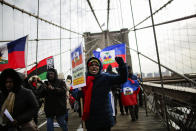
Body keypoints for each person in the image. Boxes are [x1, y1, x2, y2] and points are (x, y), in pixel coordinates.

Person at [82, 57, 128, 131]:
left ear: (99, 67)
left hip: (104, 117)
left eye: (96, 65)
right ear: (88, 67)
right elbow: (78, 96)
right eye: (91, 65)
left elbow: (122, 78)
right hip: (91, 118)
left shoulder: (105, 77)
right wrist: (79, 91)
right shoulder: (83, 80)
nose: (94, 66)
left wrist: (122, 65)